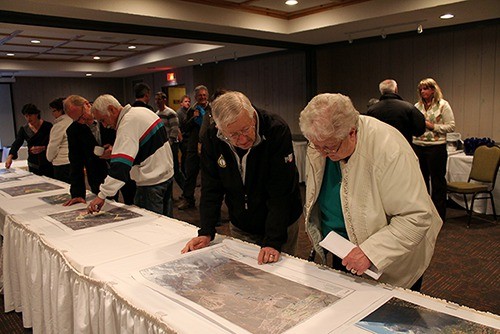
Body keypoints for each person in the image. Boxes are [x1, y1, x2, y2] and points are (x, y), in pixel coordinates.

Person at [299, 93, 442, 290]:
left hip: (389, 258)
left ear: (352, 132)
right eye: (317, 147)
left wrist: (371, 252)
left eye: (329, 148)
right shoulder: (323, 140)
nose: (323, 153)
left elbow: (416, 216)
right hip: (344, 248)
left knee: (391, 316)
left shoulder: (389, 149)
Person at [181, 91, 302, 264]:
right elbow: (211, 188)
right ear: (220, 129)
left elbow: (281, 191)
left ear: (252, 115)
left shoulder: (276, 130)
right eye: (233, 135)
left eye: (246, 129)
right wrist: (206, 231)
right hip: (241, 223)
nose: (243, 139)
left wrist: (273, 240)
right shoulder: (212, 137)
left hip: (281, 222)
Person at [87, 94, 174, 217]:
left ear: (112, 109)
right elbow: (147, 146)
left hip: (150, 184)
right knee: (166, 224)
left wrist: (102, 195)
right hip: (166, 176)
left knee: (152, 230)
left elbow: (120, 168)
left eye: (103, 120)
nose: (105, 125)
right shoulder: (142, 111)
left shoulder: (127, 124)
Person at [63, 95, 126, 205]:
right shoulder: (73, 130)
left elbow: (126, 138)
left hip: (125, 169)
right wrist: (77, 194)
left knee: (132, 203)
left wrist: (114, 149)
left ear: (87, 105)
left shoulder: (107, 113)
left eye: (82, 116)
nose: (82, 122)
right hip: (97, 176)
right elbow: (75, 163)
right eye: (77, 120)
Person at [413, 78, 455, 221]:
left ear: (433, 90)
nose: (423, 91)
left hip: (436, 148)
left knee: (437, 182)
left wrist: (433, 127)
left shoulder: (443, 105)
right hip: (419, 146)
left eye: (425, 89)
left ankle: (439, 215)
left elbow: (451, 126)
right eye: (421, 89)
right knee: (421, 182)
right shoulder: (417, 107)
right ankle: (425, 214)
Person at [177, 85, 209, 210]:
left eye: (204, 95)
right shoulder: (191, 110)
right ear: (195, 97)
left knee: (207, 176)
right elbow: (184, 128)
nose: (202, 97)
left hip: (207, 148)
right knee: (190, 174)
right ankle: (188, 199)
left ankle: (206, 203)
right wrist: (193, 119)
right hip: (193, 147)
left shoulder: (211, 109)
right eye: (200, 95)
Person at [367, 79, 425, 144]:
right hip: (403, 147)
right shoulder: (408, 107)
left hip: (380, 147)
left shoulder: (371, 110)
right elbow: (420, 130)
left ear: (381, 91)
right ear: (396, 89)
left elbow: (368, 132)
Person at [5, 103, 53, 177]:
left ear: (36, 114)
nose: (28, 118)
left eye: (30, 115)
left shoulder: (48, 126)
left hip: (48, 162)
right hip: (33, 163)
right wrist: (10, 157)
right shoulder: (24, 129)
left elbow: (54, 142)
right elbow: (17, 143)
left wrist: (44, 148)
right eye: (26, 116)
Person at [155, 91, 185, 190]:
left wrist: (169, 143)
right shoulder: (157, 114)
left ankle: (187, 192)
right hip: (162, 146)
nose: (157, 102)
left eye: (159, 99)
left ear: (164, 100)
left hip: (171, 146)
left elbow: (175, 129)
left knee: (175, 170)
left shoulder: (171, 113)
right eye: (156, 100)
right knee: (166, 172)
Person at [46, 97, 72, 183]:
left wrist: (49, 158)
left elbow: (53, 146)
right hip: (73, 160)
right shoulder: (73, 121)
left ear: (61, 110)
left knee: (64, 189)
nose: (53, 114)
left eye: (54, 111)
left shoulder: (59, 125)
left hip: (62, 162)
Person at [177, 94, 191, 177]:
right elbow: (177, 127)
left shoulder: (190, 111)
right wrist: (181, 139)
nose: (188, 103)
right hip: (183, 138)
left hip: (190, 138)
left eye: (189, 101)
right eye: (185, 101)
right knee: (185, 157)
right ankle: (184, 174)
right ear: (181, 103)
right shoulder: (179, 113)